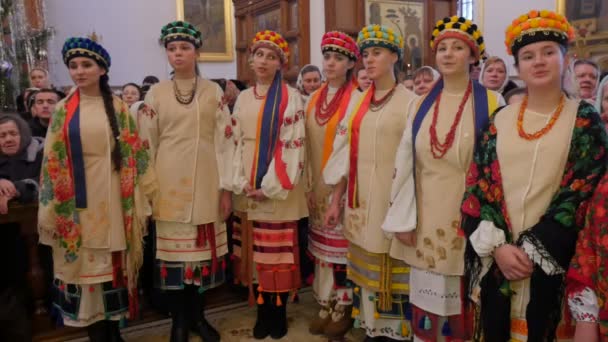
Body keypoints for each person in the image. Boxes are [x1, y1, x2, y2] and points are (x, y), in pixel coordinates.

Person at [461, 10, 607, 341]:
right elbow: (477, 190)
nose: (538, 62)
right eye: (528, 56)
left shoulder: (585, 121)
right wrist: (498, 247)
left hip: (554, 264)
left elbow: (581, 193)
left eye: (548, 53)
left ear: (566, 58)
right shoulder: (500, 119)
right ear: (518, 67)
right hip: (498, 260)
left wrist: (533, 249)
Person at [383, 16, 502, 342]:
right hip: (425, 214)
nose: (448, 54)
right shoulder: (419, 103)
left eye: (458, 48)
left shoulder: (493, 103)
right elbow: (405, 163)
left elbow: (498, 171)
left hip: (469, 216)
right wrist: (402, 218)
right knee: (427, 299)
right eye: (443, 48)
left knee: (466, 298)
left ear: (473, 56)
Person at [38, 37, 156, 341]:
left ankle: (113, 331)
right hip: (76, 202)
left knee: (112, 268)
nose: (79, 71)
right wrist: (52, 206)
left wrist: (143, 196)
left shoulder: (118, 108)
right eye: (73, 66)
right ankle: (96, 333)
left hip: (114, 198)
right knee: (83, 269)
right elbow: (51, 160)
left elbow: (136, 154)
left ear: (102, 69)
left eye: (86, 65)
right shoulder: (63, 110)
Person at [138, 21, 233, 342]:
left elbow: (226, 142)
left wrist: (226, 189)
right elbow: (145, 144)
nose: (177, 54)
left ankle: (199, 318)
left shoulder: (213, 92)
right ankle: (179, 321)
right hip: (168, 188)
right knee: (176, 266)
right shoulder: (156, 93)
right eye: (172, 49)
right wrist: (147, 190)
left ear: (196, 52)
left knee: (200, 265)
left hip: (208, 184)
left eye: (184, 48)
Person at [323, 24, 417, 341]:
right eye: (365, 54)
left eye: (377, 52)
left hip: (392, 202)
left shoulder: (411, 102)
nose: (369, 59)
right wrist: (335, 200)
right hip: (360, 202)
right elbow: (342, 153)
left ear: (395, 56)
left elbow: (415, 163)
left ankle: (394, 333)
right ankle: (371, 329)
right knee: (364, 273)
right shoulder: (358, 101)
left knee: (392, 271)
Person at [230, 30, 307, 340]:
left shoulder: (292, 99)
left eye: (271, 56)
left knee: (276, 258)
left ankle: (278, 314)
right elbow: (234, 143)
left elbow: (292, 146)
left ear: (281, 63)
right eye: (258, 55)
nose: (263, 61)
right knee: (254, 257)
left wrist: (269, 186)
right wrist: (240, 181)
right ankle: (262, 313)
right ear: (251, 59)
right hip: (247, 186)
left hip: (276, 187)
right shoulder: (244, 98)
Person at [304, 30, 359, 340]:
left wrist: (338, 194)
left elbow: (351, 151)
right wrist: (309, 187)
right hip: (317, 187)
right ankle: (324, 303)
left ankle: (344, 306)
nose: (331, 63)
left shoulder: (357, 98)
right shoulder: (313, 99)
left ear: (351, 64)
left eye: (338, 58)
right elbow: (304, 147)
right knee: (323, 253)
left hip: (343, 189)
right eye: (327, 57)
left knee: (342, 253)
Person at [0, 114, 43, 342]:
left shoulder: (37, 152)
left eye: (13, 133)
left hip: (35, 236)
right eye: (2, 135)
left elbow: (44, 181)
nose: (8, 139)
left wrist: (17, 189)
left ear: (23, 134)